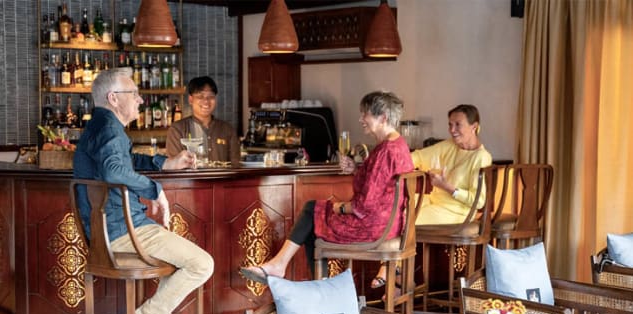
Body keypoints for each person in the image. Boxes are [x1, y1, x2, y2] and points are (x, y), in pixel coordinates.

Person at [73, 68, 214, 314]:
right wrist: (154, 189)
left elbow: (125, 160)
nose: (140, 100)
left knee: (180, 263)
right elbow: (114, 170)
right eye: (134, 94)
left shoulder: (100, 125)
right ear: (113, 98)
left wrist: (164, 163)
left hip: (110, 232)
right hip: (124, 232)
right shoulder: (110, 129)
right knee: (202, 264)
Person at [240, 91, 414, 283]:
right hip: (390, 224)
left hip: (373, 228)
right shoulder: (398, 145)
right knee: (313, 219)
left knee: (312, 211)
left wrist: (340, 207)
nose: (361, 119)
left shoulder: (385, 151)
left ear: (383, 118)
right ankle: (298, 276)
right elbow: (380, 184)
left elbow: (363, 206)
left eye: (365, 114)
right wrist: (356, 170)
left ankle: (289, 271)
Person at [371, 104, 493, 288]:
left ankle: (392, 270)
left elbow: (479, 201)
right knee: (393, 207)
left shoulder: (482, 157)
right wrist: (387, 164)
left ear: (474, 126)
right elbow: (418, 157)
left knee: (404, 218)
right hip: (434, 201)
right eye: (450, 124)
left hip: (458, 212)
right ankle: (399, 276)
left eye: (458, 124)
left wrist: (447, 187)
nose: (452, 130)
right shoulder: (449, 146)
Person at [166, 76, 240, 166]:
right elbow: (173, 166)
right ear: (190, 99)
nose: (206, 101)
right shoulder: (177, 129)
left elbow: (236, 165)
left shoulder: (227, 129)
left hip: (223, 176)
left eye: (211, 96)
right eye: (200, 96)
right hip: (190, 176)